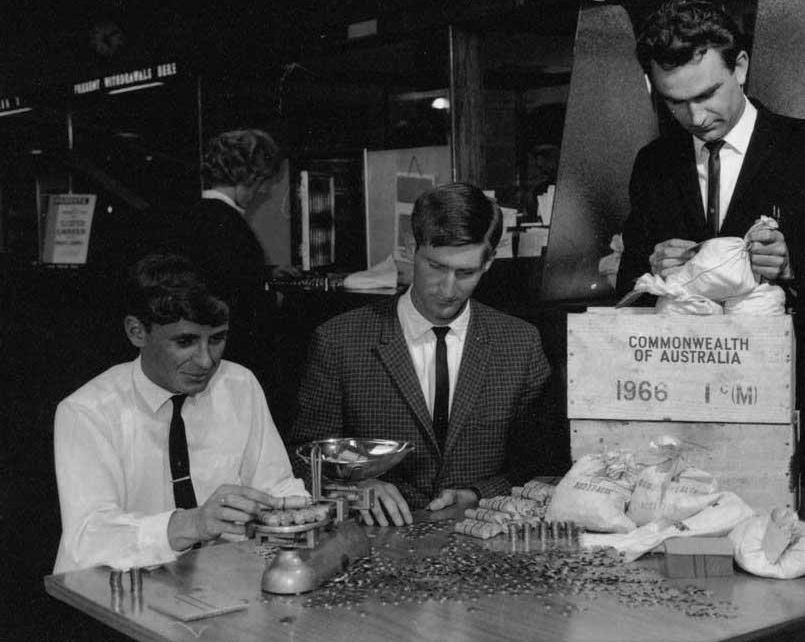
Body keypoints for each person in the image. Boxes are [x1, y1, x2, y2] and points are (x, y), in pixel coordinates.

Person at [616, 0, 805, 484]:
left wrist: (792, 264)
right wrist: (652, 268)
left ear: (740, 66)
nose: (695, 116)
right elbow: (624, 286)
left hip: (790, 404)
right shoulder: (654, 164)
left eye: (707, 94)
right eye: (674, 101)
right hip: (682, 409)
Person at [288, 182, 551, 526]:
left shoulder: (520, 343)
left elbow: (541, 466)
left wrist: (477, 492)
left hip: (482, 538)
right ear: (411, 249)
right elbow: (301, 457)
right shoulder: (340, 341)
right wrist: (356, 487)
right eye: (436, 267)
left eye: (466, 273)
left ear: (488, 263)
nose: (447, 289)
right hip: (378, 543)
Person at [54, 253, 307, 573]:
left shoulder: (239, 383)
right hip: (115, 593)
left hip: (218, 586)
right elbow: (89, 539)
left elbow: (276, 487)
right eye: (186, 341)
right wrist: (193, 524)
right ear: (136, 332)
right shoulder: (87, 412)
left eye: (217, 339)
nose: (205, 361)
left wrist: (303, 513)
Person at [155, 128, 287, 424]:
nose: (264, 191)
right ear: (250, 177)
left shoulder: (191, 215)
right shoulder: (232, 226)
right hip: (224, 362)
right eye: (264, 181)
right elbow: (247, 307)